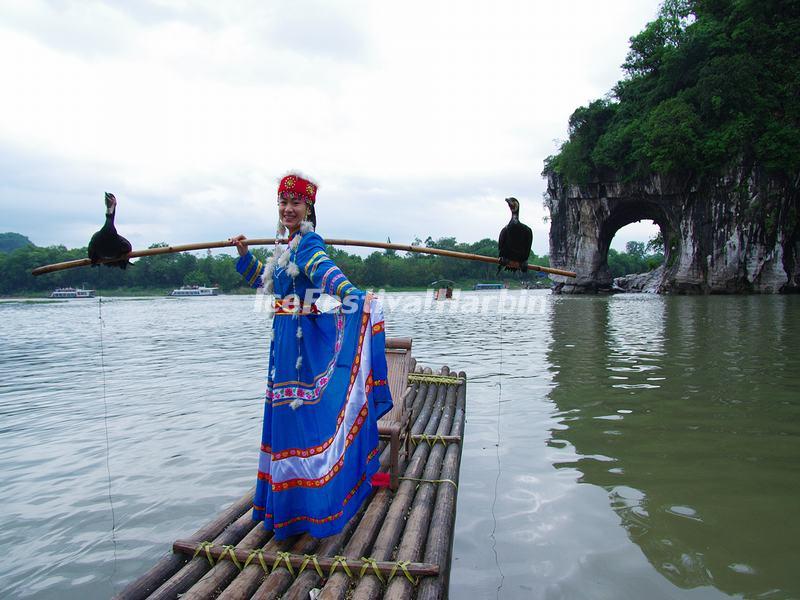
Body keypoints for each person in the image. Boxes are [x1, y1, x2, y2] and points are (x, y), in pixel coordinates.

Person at [229, 172, 392, 540]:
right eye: (283, 203)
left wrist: (355, 295)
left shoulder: (306, 243)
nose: (288, 209)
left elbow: (324, 271)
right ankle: (293, 506)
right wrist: (244, 257)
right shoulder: (286, 246)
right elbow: (268, 286)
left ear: (308, 207)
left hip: (303, 344)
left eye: (295, 203)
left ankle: (305, 508)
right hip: (284, 341)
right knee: (287, 421)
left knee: (302, 420)